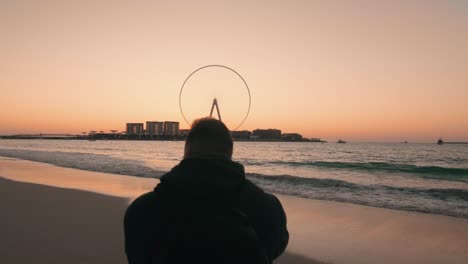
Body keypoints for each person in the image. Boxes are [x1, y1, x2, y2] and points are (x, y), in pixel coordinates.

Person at [124, 117, 289, 263]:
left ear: (186, 150)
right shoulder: (268, 207)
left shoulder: (141, 210)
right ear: (229, 151)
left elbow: (137, 256)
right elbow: (273, 249)